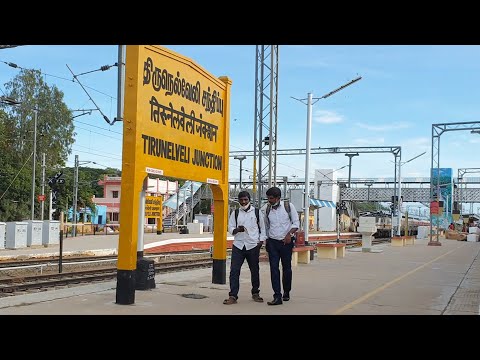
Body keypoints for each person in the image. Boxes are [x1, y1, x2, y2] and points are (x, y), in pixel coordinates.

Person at [223, 191, 267, 305]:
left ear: (249, 200)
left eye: (245, 200)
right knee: (234, 271)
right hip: (238, 245)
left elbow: (263, 228)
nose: (243, 202)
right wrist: (237, 229)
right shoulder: (236, 213)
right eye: (241, 200)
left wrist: (261, 241)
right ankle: (233, 295)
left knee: (254, 270)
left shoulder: (257, 212)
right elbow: (230, 228)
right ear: (238, 200)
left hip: (252, 245)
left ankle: (255, 293)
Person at [262, 186, 300, 305]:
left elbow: (296, 223)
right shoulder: (266, 209)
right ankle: (277, 295)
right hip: (273, 242)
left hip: (286, 243)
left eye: (271, 198)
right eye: (268, 198)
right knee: (274, 269)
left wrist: (290, 234)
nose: (269, 200)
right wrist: (266, 240)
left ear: (278, 198)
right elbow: (265, 226)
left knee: (286, 268)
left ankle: (286, 291)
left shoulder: (289, 207)